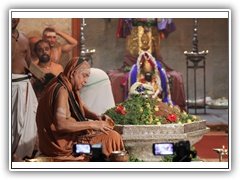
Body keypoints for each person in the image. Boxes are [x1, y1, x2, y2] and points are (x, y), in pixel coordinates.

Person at [36, 57, 124, 160]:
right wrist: (92, 124)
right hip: (68, 149)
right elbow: (60, 124)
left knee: (108, 137)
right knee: (112, 139)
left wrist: (97, 117)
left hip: (67, 143)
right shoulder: (62, 91)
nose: (85, 81)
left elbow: (80, 107)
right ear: (73, 73)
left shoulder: (66, 85)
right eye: (84, 76)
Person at [11, 18, 38, 161]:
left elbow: (28, 63)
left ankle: (21, 157)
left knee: (28, 125)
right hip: (10, 86)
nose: (13, 19)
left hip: (24, 84)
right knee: (12, 125)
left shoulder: (23, 38)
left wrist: (41, 76)